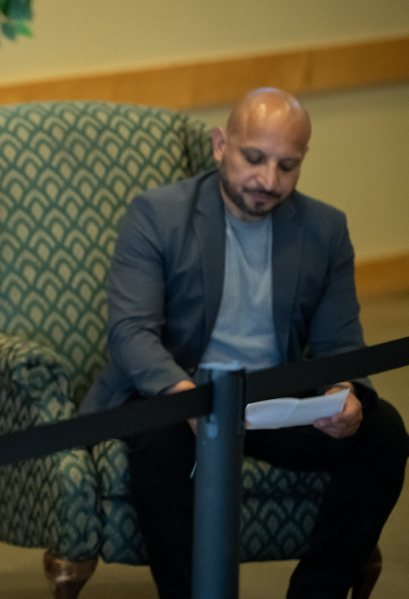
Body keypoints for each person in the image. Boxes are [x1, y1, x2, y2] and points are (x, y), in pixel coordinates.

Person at [81, 88, 409, 598]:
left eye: (287, 166)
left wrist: (345, 391)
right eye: (254, 159)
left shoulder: (325, 229)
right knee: (159, 451)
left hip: (273, 399)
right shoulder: (157, 214)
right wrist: (187, 399)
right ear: (220, 145)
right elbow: (131, 332)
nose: (267, 181)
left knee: (383, 432)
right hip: (182, 396)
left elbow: (339, 342)